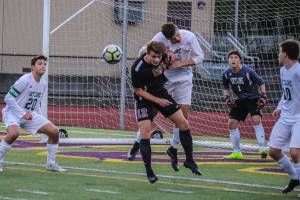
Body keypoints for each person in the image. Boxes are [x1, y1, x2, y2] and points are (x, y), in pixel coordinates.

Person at [128, 22, 204, 172]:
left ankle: (174, 149)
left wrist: (181, 64)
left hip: (184, 78)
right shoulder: (159, 39)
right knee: (150, 116)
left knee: (183, 118)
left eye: (178, 34)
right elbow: (144, 52)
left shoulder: (189, 36)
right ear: (166, 38)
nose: (178, 38)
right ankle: (137, 143)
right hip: (164, 81)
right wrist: (159, 59)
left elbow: (200, 56)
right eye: (174, 38)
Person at [0, 55, 66, 172]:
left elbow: (37, 104)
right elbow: (8, 98)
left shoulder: (43, 83)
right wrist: (22, 114)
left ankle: (50, 164)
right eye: (40, 63)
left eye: (44, 64)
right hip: (12, 113)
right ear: (32, 67)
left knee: (54, 131)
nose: (43, 66)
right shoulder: (25, 80)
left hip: (29, 114)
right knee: (14, 133)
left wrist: (43, 121)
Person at [222, 50, 268, 159]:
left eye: (236, 58)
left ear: (240, 60)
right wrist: (227, 98)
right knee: (231, 123)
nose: (233, 59)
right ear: (228, 60)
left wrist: (264, 96)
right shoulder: (225, 73)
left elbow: (261, 82)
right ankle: (237, 152)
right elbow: (225, 88)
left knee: (256, 120)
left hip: (253, 99)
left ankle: (262, 149)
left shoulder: (248, 71)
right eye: (231, 57)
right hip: (240, 100)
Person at [268, 40, 300, 193]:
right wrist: (279, 107)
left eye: (280, 51)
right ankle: (295, 178)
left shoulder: (298, 70)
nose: (278, 54)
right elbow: (286, 93)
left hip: (299, 118)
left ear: (286, 54)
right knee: (273, 151)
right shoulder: (282, 70)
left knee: (295, 153)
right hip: (285, 117)